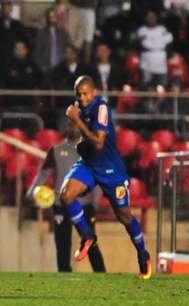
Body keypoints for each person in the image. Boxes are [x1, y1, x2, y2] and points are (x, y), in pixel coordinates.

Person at [60, 75, 152, 280]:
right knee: (66, 195)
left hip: (111, 170)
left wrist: (76, 121)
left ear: (94, 93)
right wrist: (80, 143)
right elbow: (86, 139)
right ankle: (87, 235)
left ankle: (143, 254)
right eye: (78, 94)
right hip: (89, 165)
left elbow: (99, 142)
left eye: (85, 93)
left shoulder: (101, 107)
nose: (81, 97)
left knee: (124, 216)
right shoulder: (79, 107)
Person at [26, 121, 105, 272]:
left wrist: (94, 204)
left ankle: (101, 274)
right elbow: (43, 173)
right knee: (62, 245)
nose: (72, 128)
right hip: (60, 205)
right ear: (66, 127)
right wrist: (31, 192)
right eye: (70, 125)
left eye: (76, 125)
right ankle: (64, 278)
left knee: (90, 243)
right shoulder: (56, 150)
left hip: (84, 205)